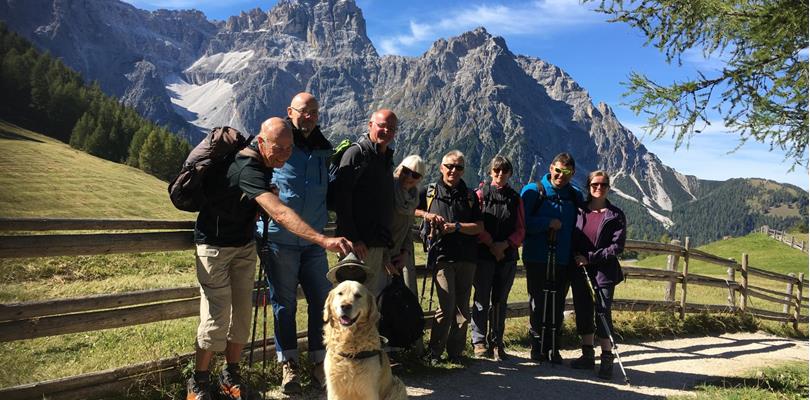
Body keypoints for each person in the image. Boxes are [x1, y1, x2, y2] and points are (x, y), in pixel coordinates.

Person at [188, 117, 352, 400]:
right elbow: (279, 212)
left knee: (241, 314)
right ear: (261, 142)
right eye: (279, 148)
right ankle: (198, 384)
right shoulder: (248, 166)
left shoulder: (264, 164)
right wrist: (323, 239)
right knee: (217, 317)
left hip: (242, 245)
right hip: (214, 248)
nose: (285, 155)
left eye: (289, 149)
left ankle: (230, 377)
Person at [255, 93, 334, 394]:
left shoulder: (324, 149)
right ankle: (289, 365)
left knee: (321, 301)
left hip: (314, 241)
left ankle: (318, 362)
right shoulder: (277, 142)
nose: (310, 117)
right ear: (290, 112)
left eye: (315, 111)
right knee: (283, 305)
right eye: (304, 111)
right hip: (280, 240)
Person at [415, 150, 484, 365]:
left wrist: (455, 227)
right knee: (446, 305)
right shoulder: (429, 192)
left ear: (463, 170)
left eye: (459, 167)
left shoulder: (470, 196)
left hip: (467, 258)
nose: (454, 170)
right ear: (441, 167)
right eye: (450, 166)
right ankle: (435, 352)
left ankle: (456, 353)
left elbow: (479, 227)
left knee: (463, 307)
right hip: (442, 256)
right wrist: (427, 215)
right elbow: (410, 210)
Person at [520, 152, 584, 364]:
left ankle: (553, 347)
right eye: (558, 170)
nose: (561, 176)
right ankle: (537, 346)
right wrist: (547, 223)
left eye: (566, 172)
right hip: (537, 257)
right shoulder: (532, 191)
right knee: (538, 303)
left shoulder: (575, 195)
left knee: (557, 304)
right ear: (550, 168)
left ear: (572, 173)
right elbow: (522, 224)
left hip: (563, 258)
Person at [333, 109, 397, 296]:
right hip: (357, 246)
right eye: (382, 126)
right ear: (370, 125)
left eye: (392, 128)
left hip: (376, 243)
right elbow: (342, 199)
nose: (387, 131)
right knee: (352, 301)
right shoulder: (357, 154)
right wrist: (353, 237)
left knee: (370, 301)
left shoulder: (385, 158)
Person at [570, 170, 626, 379]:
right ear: (588, 186)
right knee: (583, 310)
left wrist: (590, 257)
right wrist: (576, 255)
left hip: (604, 272)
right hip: (580, 270)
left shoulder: (615, 215)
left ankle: (607, 358)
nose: (598, 188)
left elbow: (617, 247)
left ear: (608, 187)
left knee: (602, 313)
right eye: (595, 184)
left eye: (603, 185)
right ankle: (587, 356)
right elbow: (573, 237)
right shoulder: (579, 211)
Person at [470, 156, 525, 361]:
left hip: (507, 256)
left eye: (504, 171)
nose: (500, 174)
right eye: (496, 170)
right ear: (490, 171)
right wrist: (492, 243)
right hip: (484, 255)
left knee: (500, 301)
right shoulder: (480, 194)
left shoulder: (515, 198)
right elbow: (475, 224)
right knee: (481, 299)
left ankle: (497, 342)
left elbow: (521, 229)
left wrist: (505, 245)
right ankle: (479, 342)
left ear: (510, 173)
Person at [387, 154, 426, 294]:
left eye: (414, 175)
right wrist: (384, 259)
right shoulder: (388, 189)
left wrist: (405, 253)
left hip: (396, 258)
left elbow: (407, 229)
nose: (409, 177)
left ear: (420, 178)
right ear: (399, 169)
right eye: (406, 171)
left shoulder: (413, 197)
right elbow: (377, 226)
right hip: (379, 257)